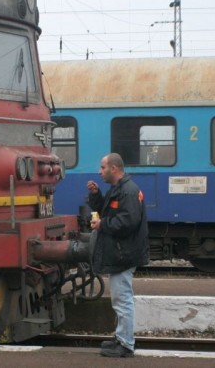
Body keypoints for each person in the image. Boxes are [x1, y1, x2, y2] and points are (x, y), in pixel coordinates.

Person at [87, 153, 149, 358]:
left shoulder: (128, 191)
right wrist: (96, 196)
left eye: (102, 167)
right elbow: (111, 211)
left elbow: (127, 222)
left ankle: (125, 344)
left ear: (114, 168)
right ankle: (121, 338)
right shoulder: (120, 189)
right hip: (121, 252)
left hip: (124, 254)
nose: (99, 171)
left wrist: (102, 224)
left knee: (122, 300)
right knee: (120, 298)